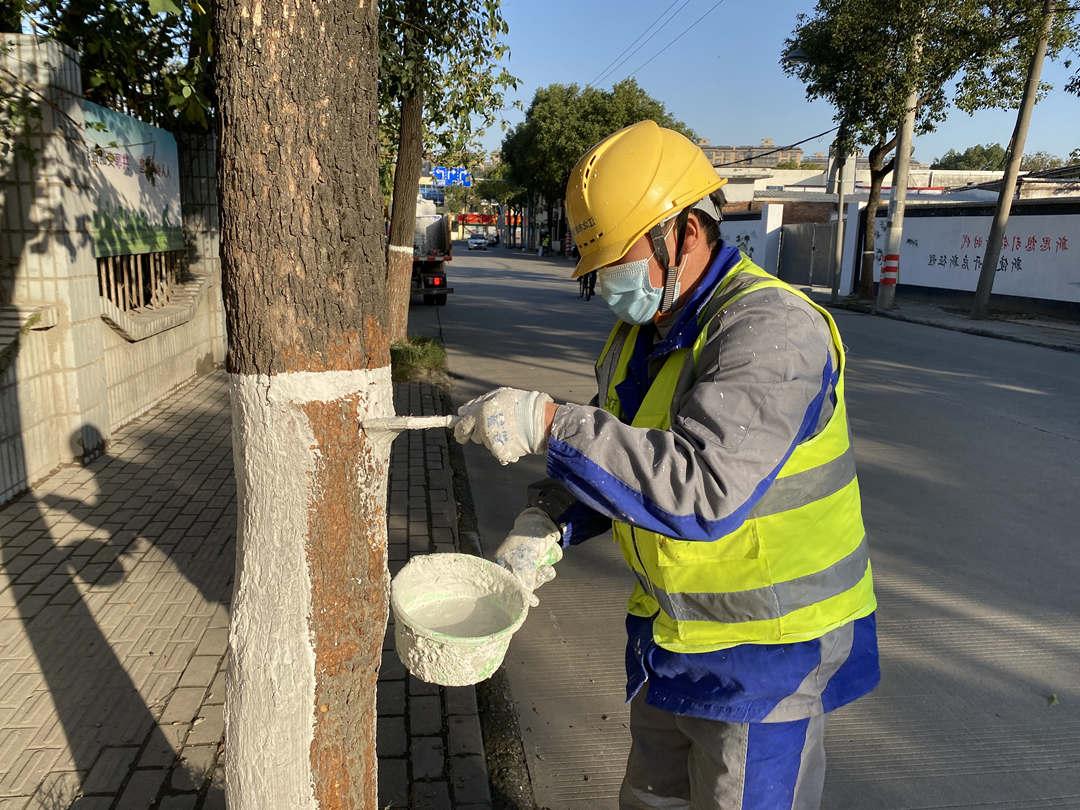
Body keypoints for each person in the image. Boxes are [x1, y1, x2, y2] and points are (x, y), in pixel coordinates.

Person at [453, 120, 879, 809]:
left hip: (768, 658)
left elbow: (702, 489)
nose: (611, 285)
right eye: (599, 271)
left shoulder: (771, 331)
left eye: (620, 261)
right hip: (671, 642)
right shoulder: (642, 332)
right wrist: (549, 520)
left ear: (684, 231)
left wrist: (551, 423)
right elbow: (624, 453)